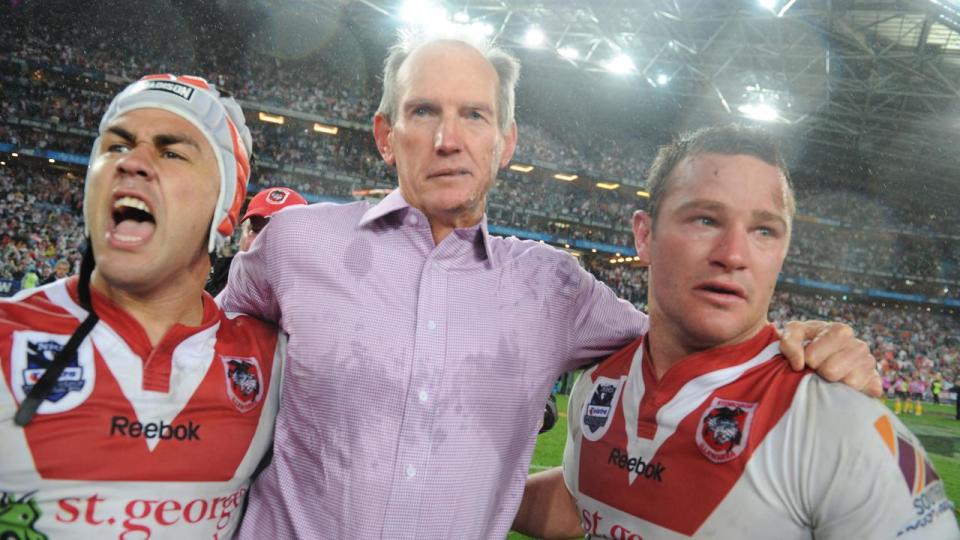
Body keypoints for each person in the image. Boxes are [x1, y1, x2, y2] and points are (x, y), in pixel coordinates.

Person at [222, 32, 881, 538]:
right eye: (424, 112)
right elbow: (198, 348)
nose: (450, 139)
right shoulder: (296, 244)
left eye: (475, 116)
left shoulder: (555, 289)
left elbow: (690, 339)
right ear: (386, 136)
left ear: (505, 143)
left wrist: (802, 345)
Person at [511, 125, 957, 539]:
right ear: (644, 235)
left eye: (764, 230)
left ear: (781, 253)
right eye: (706, 219)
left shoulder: (837, 422)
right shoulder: (600, 383)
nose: (734, 254)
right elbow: (582, 504)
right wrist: (460, 492)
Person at [0, 74, 284, 539]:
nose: (132, 163)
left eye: (172, 152)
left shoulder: (274, 366)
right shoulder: (7, 336)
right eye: (115, 147)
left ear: (227, 207)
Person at [205, 185, 306, 296]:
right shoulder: (202, 285)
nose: (261, 242)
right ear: (242, 234)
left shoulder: (306, 308)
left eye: (279, 235)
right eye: (256, 230)